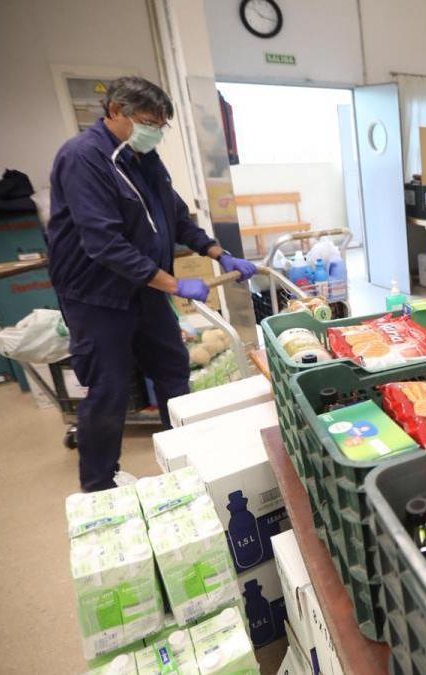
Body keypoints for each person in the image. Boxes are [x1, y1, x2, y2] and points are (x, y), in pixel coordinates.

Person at [47, 76, 256, 492]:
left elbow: (176, 215)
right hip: (97, 295)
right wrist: (175, 285)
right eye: (147, 122)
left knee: (172, 371)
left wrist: (217, 252)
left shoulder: (145, 157)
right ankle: (99, 484)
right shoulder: (83, 158)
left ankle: (183, 457)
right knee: (108, 386)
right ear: (116, 113)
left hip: (145, 289)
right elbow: (104, 243)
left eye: (162, 124)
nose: (155, 131)